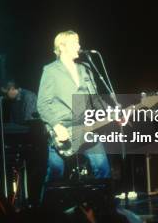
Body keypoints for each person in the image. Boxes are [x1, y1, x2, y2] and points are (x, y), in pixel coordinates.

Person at [36, 30, 110, 186]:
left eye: (78, 42)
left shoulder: (85, 69)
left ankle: (102, 207)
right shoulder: (51, 71)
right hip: (63, 130)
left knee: (102, 169)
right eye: (75, 43)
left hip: (87, 127)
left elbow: (95, 100)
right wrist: (56, 125)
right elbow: (42, 104)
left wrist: (111, 111)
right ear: (62, 47)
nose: (79, 46)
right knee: (56, 174)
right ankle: (48, 209)